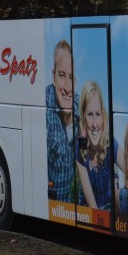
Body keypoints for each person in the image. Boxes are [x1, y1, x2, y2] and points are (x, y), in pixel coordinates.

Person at [75, 80, 118, 211]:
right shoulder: (80, 145)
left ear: (102, 115)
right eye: (89, 114)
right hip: (90, 211)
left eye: (98, 114)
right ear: (83, 116)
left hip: (108, 208)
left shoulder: (108, 141)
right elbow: (93, 208)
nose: (94, 124)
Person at [46, 39, 75, 203]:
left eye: (70, 77)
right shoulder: (43, 105)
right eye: (62, 76)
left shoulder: (79, 105)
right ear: (53, 77)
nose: (67, 87)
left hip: (67, 210)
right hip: (50, 206)